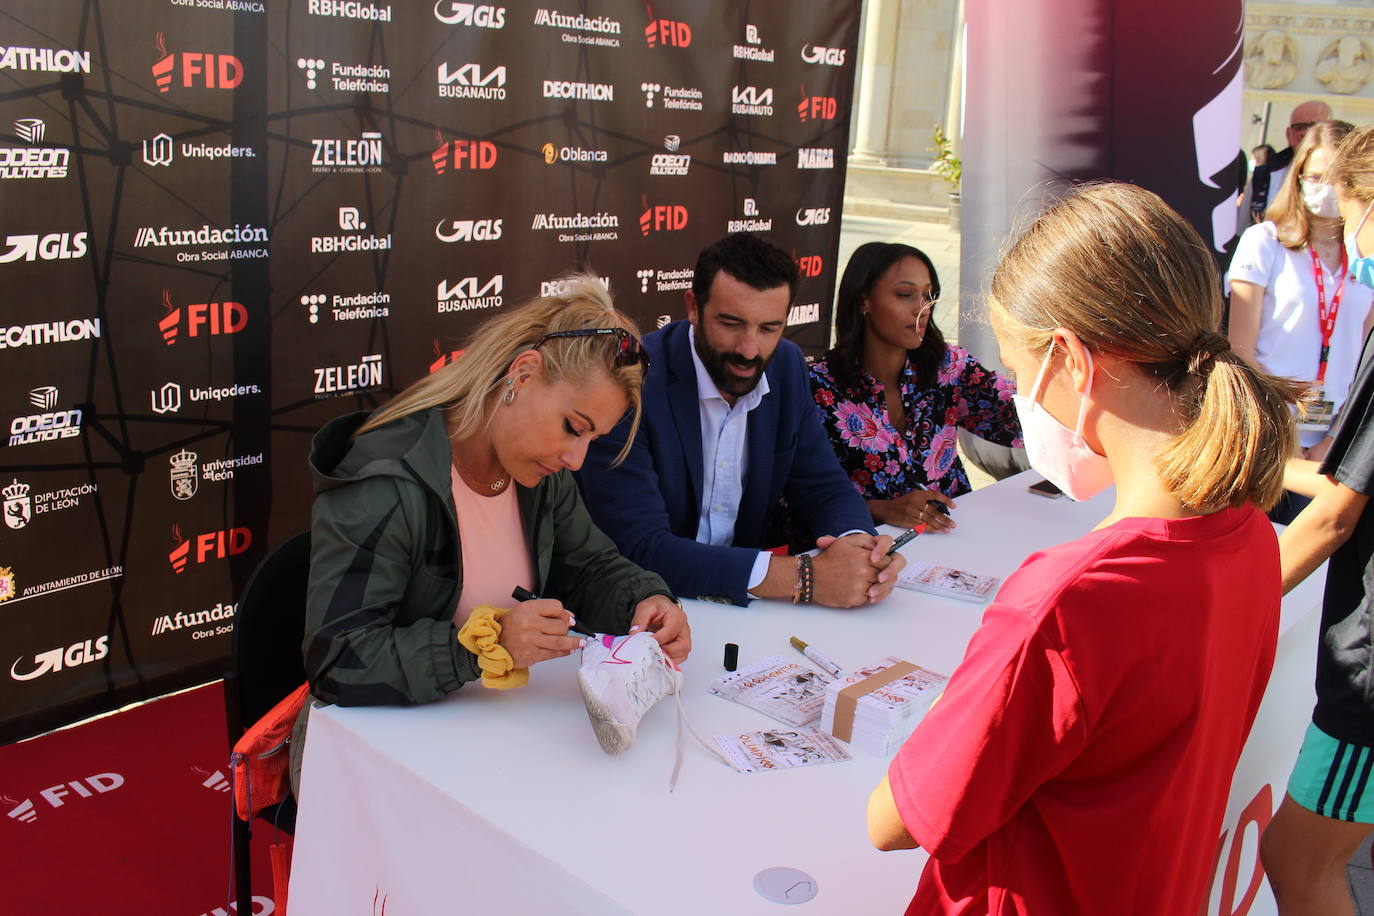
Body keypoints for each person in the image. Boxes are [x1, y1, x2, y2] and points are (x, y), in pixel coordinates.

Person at [866, 182, 1303, 914]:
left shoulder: (1074, 598)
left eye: (1014, 369)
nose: (1016, 396)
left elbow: (894, 820)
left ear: (1067, 359)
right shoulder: (1249, 534)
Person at [294, 277, 689, 783]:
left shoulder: (535, 470)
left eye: (592, 438)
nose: (576, 458)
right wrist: (480, 644)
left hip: (485, 739)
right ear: (523, 375)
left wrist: (646, 601)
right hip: (370, 761)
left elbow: (590, 567)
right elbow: (338, 658)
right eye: (573, 426)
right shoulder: (386, 478)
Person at [579, 232, 904, 608]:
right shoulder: (630, 379)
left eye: (769, 328)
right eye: (731, 324)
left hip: (743, 609)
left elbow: (822, 483)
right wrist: (805, 577)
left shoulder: (786, 365)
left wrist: (863, 550)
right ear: (693, 307)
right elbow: (638, 547)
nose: (749, 349)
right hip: (639, 609)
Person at [1262, 124, 1374, 916]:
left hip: (1367, 675)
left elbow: (1336, 513)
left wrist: (1229, 598)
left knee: (1299, 864)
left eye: (1355, 204)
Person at [807, 242, 1021, 533]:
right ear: (863, 300)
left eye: (928, 296)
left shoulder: (949, 367)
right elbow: (799, 498)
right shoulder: (817, 387)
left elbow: (1018, 418)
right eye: (905, 294)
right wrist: (880, 509)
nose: (922, 308)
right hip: (867, 554)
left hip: (959, 541)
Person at [1229, 119, 1370, 460]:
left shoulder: (1365, 256)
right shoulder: (1265, 241)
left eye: (1337, 179)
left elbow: (1365, 356)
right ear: (1298, 176)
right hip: (1265, 431)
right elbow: (1240, 349)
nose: (1327, 188)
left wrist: (1334, 438)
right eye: (1316, 177)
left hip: (1337, 438)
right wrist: (1279, 432)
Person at [1246, 100, 1334, 224]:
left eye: (1314, 126)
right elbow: (1244, 227)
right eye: (1299, 127)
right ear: (1288, 134)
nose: (1305, 133)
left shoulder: (1346, 175)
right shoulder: (1265, 173)